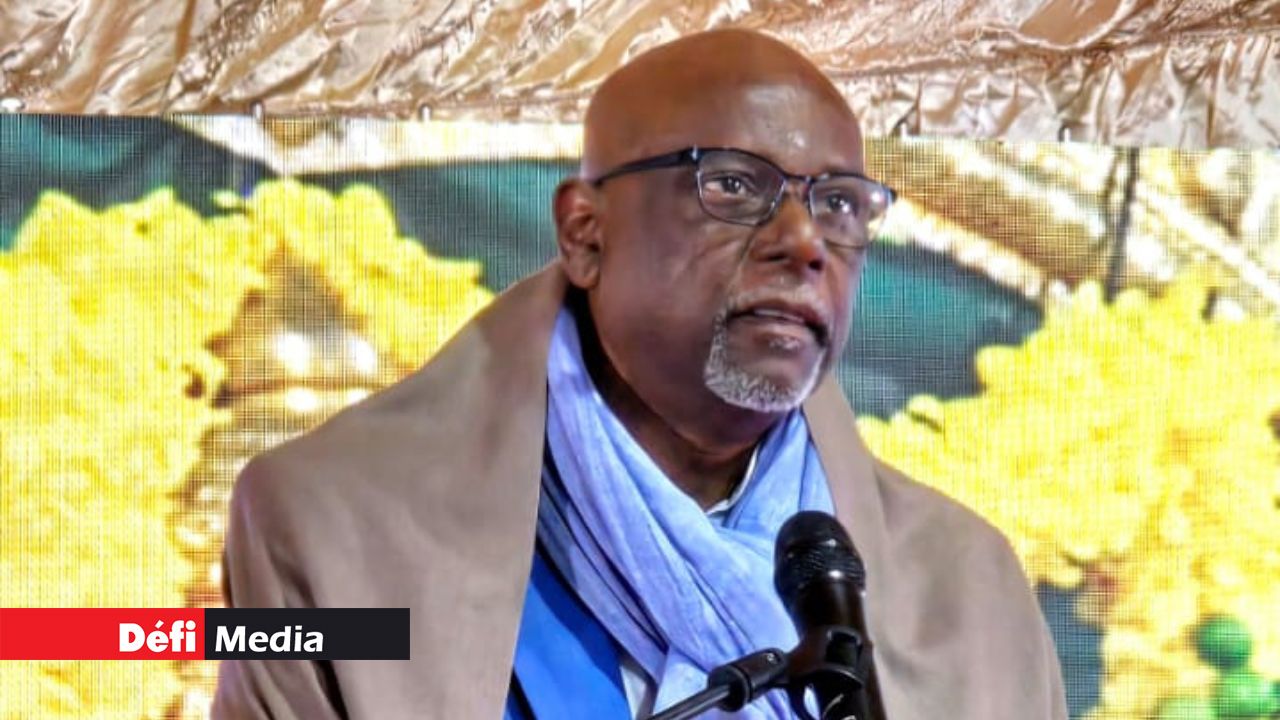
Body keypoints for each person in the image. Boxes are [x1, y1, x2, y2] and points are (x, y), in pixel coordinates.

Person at [212, 29, 1067, 720]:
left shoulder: (971, 594)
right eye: (734, 186)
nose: (804, 241)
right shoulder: (334, 531)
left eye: (840, 204)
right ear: (585, 234)